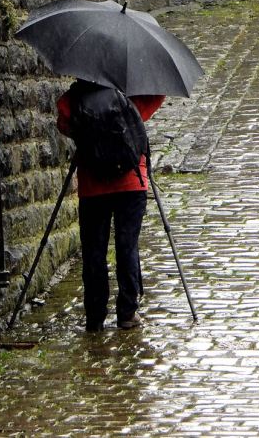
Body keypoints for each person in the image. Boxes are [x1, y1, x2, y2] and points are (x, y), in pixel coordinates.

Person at [56, 81, 164, 331]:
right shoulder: (130, 92)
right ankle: (127, 312)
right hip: (131, 181)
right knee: (127, 246)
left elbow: (63, 121)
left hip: (93, 185)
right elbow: (156, 97)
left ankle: (95, 316)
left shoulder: (76, 97)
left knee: (94, 251)